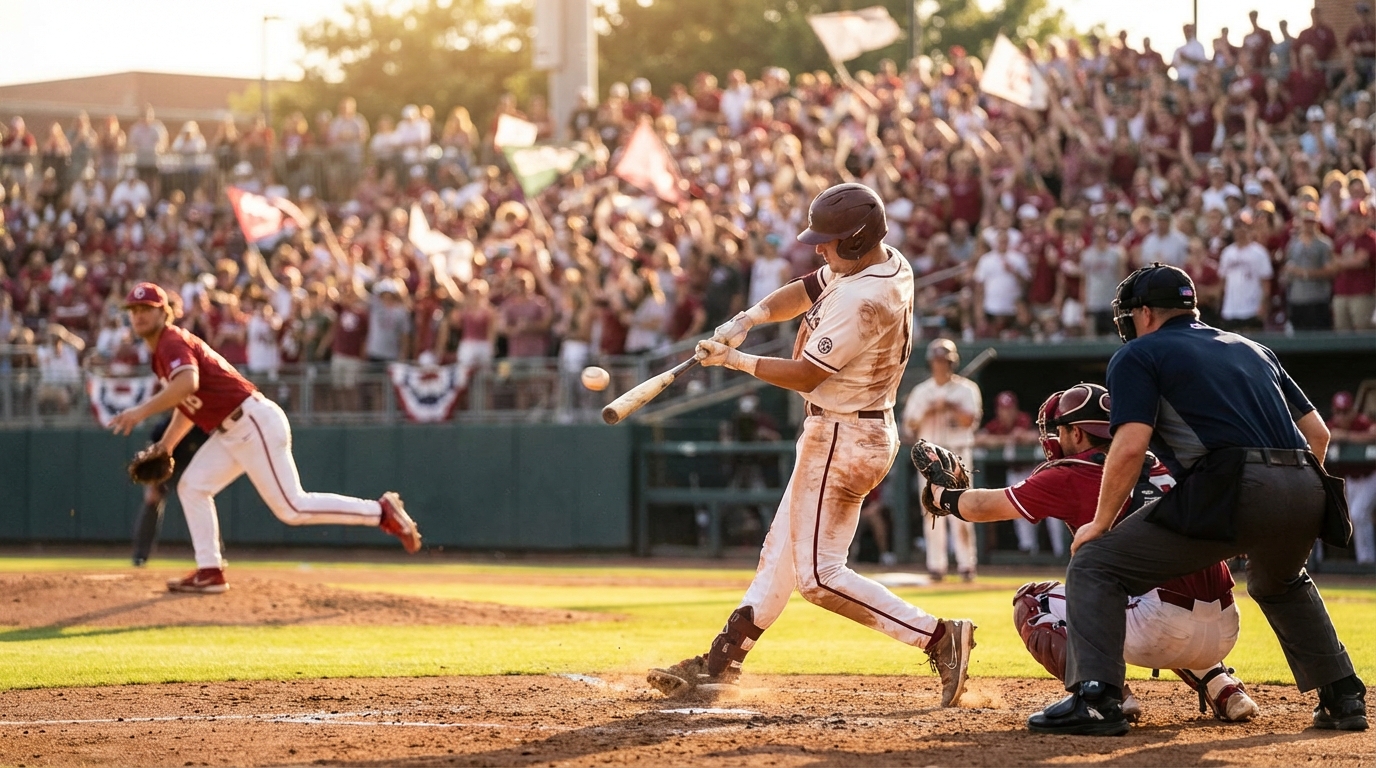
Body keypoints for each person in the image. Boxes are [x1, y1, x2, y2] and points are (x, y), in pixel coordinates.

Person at [646, 183, 976, 707]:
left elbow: (804, 373)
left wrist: (736, 361)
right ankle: (722, 662)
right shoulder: (884, 263)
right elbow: (805, 288)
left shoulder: (863, 296)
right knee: (779, 554)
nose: (819, 248)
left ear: (855, 241)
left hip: (845, 434)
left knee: (819, 576)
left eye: (828, 241)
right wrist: (747, 321)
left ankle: (938, 636)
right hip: (847, 427)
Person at [1027, 264, 1367, 735]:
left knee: (1095, 563)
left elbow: (1127, 446)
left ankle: (1098, 700)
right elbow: (1319, 433)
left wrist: (1100, 523)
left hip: (1232, 484)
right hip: (1311, 484)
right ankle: (1344, 695)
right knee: (1281, 583)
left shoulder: (1139, 354)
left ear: (1144, 313)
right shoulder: (1255, 348)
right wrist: (1276, 499)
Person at [919, 383, 1259, 723]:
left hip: (1159, 626)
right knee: (1162, 590)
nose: (1055, 437)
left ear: (1079, 433)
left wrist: (941, 495)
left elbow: (982, 506)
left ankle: (1106, 695)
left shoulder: (1074, 471)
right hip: (1226, 621)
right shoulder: (1163, 460)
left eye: (1062, 429)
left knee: (1033, 601)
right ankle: (1223, 687)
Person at [108, 283, 423, 593]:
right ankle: (210, 570)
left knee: (292, 508)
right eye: (134, 310)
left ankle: (380, 512)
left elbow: (187, 384)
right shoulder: (162, 350)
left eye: (146, 309)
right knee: (193, 486)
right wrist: (167, 445)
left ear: (164, 313)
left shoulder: (171, 342)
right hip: (232, 430)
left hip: (251, 422)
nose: (138, 315)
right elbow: (188, 403)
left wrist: (139, 412)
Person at [901, 338, 982, 581]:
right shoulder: (922, 391)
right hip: (930, 457)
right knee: (932, 512)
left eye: (945, 361)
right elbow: (909, 427)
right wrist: (929, 408)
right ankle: (936, 566)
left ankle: (967, 565)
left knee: (962, 511)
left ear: (952, 362)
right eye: (937, 361)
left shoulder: (966, 389)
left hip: (958, 456)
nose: (941, 365)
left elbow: (970, 421)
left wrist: (949, 405)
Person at [132, 415, 210, 567]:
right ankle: (140, 557)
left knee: (202, 505)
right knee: (151, 503)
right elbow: (154, 452)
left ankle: (213, 555)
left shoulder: (203, 426)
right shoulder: (165, 425)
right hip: (166, 470)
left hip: (193, 469)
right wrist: (153, 485)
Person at [1327, 391, 1376, 568]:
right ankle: (1363, 560)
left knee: (1359, 513)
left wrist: (1346, 437)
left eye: (1345, 412)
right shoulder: (1332, 425)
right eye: (1338, 412)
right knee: (1350, 517)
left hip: (1371, 476)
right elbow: (1321, 433)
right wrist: (1334, 434)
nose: (1341, 416)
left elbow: (1374, 433)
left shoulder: (1360, 422)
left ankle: (1367, 562)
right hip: (1351, 479)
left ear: (1352, 411)